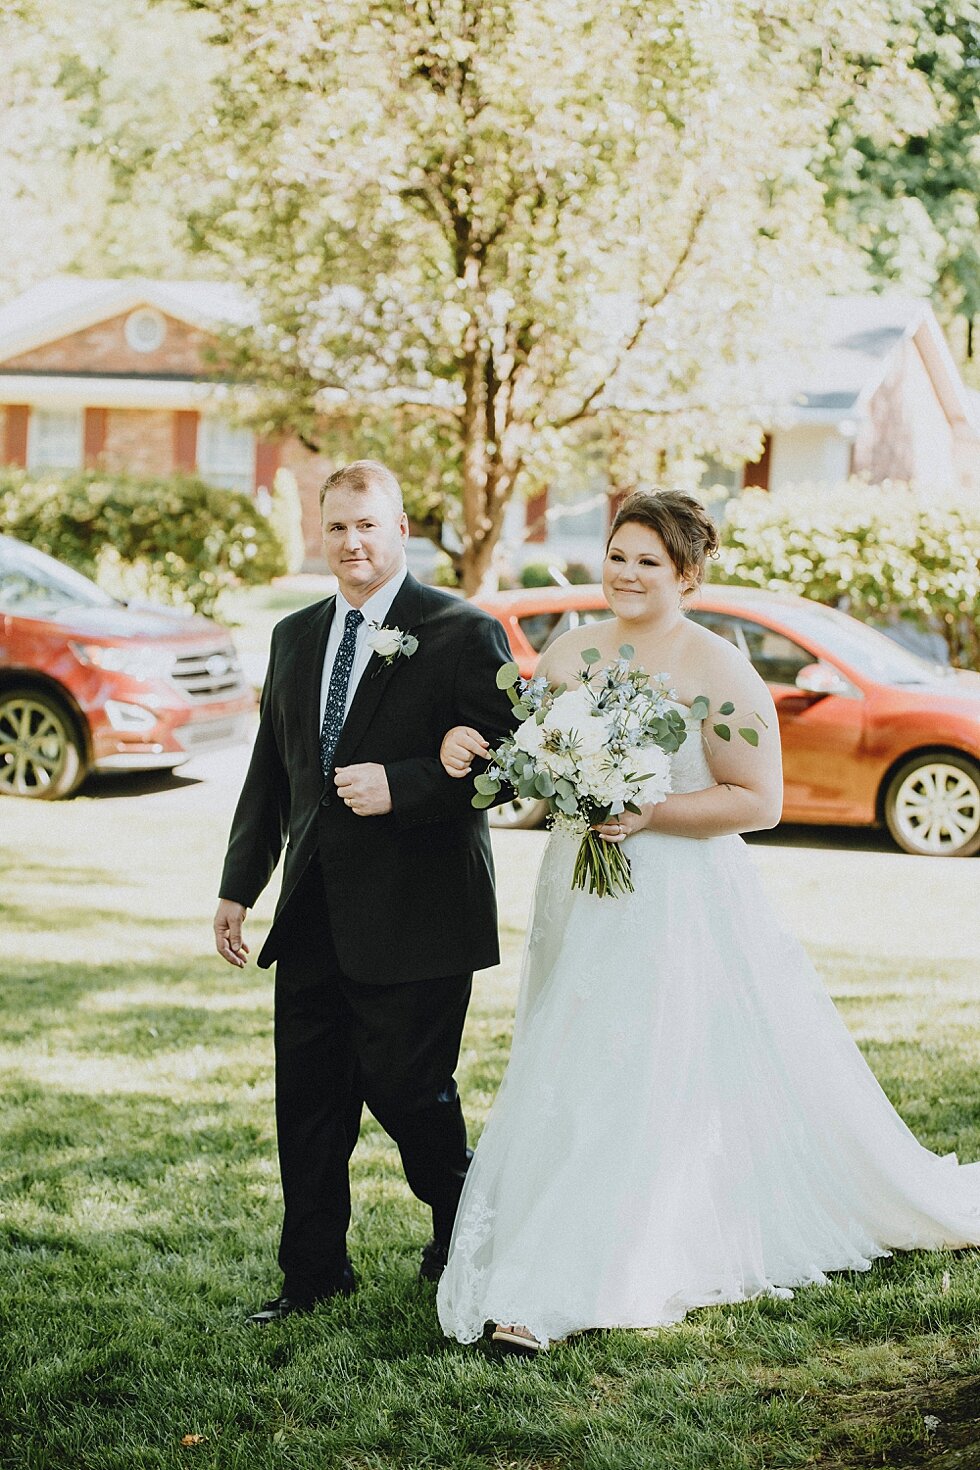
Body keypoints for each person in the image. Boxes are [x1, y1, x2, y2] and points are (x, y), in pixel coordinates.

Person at [435, 489, 980, 1352]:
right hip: (578, 888)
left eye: (649, 561)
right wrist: (479, 751)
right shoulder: (571, 653)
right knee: (567, 1057)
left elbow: (758, 802)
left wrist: (648, 811)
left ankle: (559, 1283)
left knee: (630, 1069)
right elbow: (530, 761)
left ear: (687, 574)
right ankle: (546, 1252)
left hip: (671, 898)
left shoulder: (716, 667)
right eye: (618, 554)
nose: (627, 573)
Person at [213, 459, 514, 1324]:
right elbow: (272, 773)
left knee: (410, 1095)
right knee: (307, 1104)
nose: (351, 541)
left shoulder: (462, 630)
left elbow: (515, 766)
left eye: (368, 525)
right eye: (337, 526)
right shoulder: (294, 634)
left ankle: (463, 1232)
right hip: (310, 912)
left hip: (418, 915)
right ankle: (312, 1275)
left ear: (401, 529)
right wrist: (240, 885)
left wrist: (409, 783)